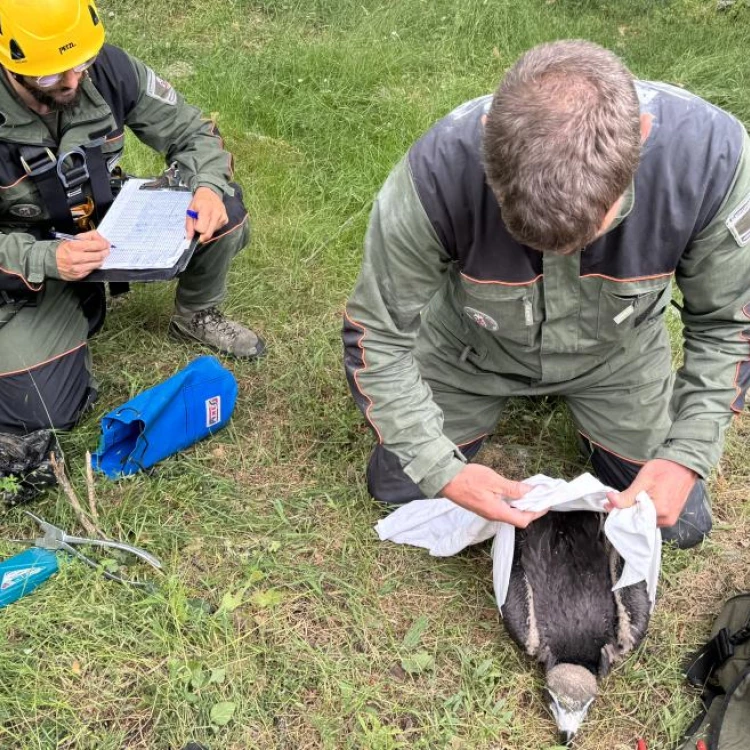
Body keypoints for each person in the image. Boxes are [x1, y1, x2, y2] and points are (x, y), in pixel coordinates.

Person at [343, 39, 750, 549]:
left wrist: (686, 454)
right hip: (471, 352)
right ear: (487, 135)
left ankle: (603, 419)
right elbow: (376, 333)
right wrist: (440, 469)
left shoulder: (713, 163)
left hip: (619, 361)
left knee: (681, 523)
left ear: (641, 139)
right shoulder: (435, 174)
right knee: (400, 485)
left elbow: (729, 325)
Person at [0, 0, 265, 504]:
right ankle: (69, 313)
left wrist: (206, 185)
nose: (74, 81)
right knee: (42, 408)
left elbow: (192, 131)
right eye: (55, 74)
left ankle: (196, 313)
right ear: (12, 63)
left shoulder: (108, 69)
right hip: (28, 257)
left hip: (105, 220)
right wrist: (44, 261)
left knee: (222, 207)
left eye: (79, 63)